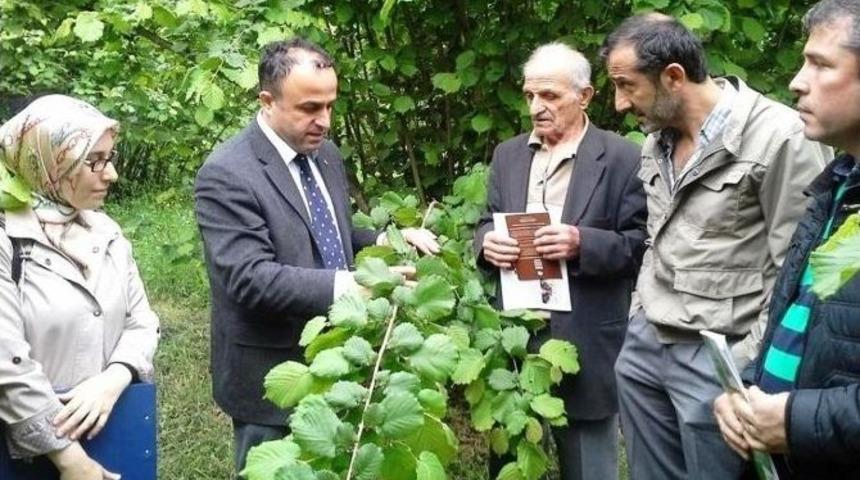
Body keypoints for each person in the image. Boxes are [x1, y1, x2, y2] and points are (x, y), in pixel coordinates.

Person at [601, 14, 833, 479]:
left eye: (627, 86)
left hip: (719, 355)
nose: (620, 103)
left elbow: (800, 272)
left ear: (673, 77)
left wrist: (745, 368)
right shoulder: (655, 142)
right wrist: (637, 317)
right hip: (646, 346)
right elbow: (658, 237)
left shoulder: (779, 137)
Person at [194, 37, 439, 474]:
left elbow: (328, 233)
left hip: (339, 358)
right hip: (271, 372)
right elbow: (251, 278)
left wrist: (384, 240)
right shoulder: (227, 173)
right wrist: (355, 286)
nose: (324, 121)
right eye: (309, 108)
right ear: (267, 101)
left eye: (330, 105)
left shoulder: (324, 155)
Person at [474, 42, 647, 480]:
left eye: (549, 96)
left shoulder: (623, 157)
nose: (536, 107)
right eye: (530, 95)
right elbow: (482, 223)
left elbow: (641, 244)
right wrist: (486, 244)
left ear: (585, 96)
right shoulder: (508, 155)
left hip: (587, 338)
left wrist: (581, 243)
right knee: (511, 463)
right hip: (514, 335)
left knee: (589, 466)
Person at [713, 1, 860, 478]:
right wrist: (747, 393)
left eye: (820, 64)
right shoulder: (835, 185)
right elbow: (796, 321)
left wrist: (797, 421)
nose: (797, 81)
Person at [0, 95, 159, 479]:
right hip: (27, 457)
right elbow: (6, 364)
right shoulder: (7, 239)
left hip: (113, 438)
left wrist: (113, 379)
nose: (111, 174)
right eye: (94, 161)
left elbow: (143, 322)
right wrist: (71, 459)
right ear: (51, 160)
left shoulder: (105, 232)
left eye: (111, 157)